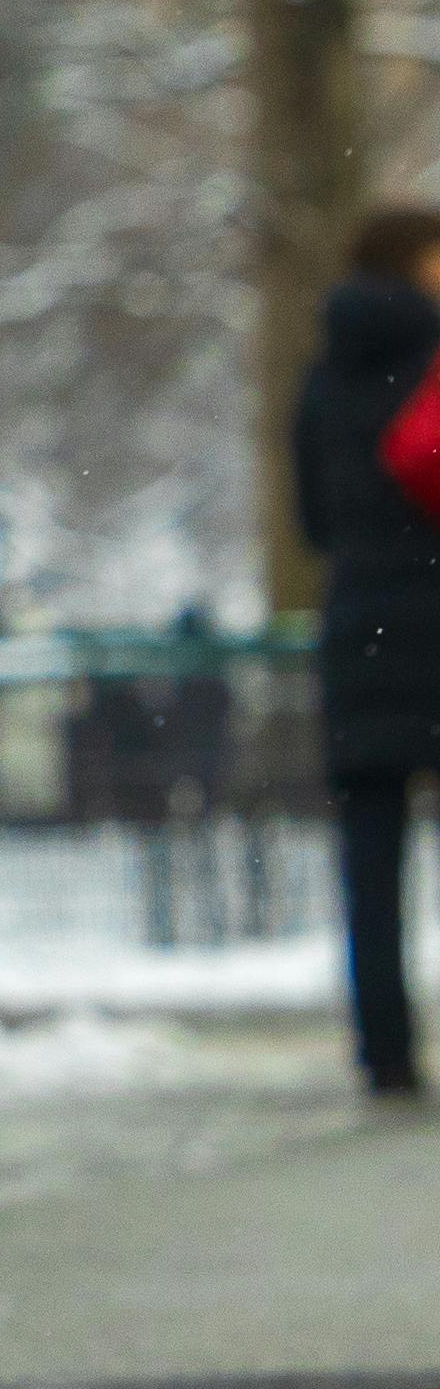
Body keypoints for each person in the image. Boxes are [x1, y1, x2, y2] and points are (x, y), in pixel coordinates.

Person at [290, 199, 440, 1102]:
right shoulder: (436, 358)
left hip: (360, 631)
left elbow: (312, 519)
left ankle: (385, 1054)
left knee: (371, 853)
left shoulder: (321, 376)